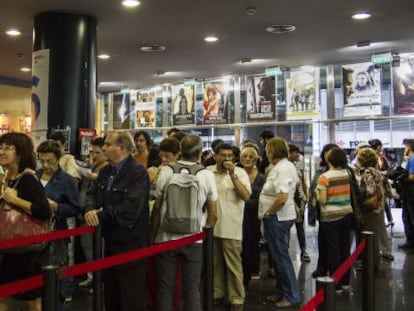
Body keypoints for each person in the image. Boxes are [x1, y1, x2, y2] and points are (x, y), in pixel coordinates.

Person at [151, 134, 218, 311]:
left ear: (180, 152)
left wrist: (153, 234)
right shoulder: (206, 174)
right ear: (199, 153)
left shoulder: (166, 171)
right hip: (194, 239)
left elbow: (157, 208)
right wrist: (206, 232)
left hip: (165, 238)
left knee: (165, 287)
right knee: (192, 289)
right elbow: (213, 214)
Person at [84, 131, 150, 311]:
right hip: (109, 243)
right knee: (111, 296)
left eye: (107, 144)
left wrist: (101, 214)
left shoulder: (137, 173)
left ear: (121, 147)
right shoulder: (106, 171)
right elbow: (92, 193)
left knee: (130, 298)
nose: (103, 148)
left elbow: (130, 211)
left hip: (131, 245)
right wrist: (90, 209)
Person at [0, 133, 51, 311]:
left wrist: (14, 200)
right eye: (1, 147)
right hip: (9, 250)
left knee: (32, 301)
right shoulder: (9, 179)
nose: (2, 151)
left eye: (7, 148)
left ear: (20, 153)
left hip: (26, 252)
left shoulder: (27, 179)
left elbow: (44, 210)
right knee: (4, 295)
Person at [36, 139, 81, 306]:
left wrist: (57, 207)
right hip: (34, 235)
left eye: (50, 161)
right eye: (42, 160)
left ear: (58, 159)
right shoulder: (34, 177)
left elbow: (76, 208)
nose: (46, 165)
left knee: (56, 281)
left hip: (56, 236)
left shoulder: (67, 180)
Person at [258, 137, 301, 308]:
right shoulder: (285, 166)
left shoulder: (282, 168)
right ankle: (281, 292)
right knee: (277, 257)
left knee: (281, 258)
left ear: (272, 151)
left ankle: (291, 295)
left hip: (278, 217)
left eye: (268, 149)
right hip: (281, 216)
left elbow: (282, 197)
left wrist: (269, 212)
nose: (266, 152)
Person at [208, 143, 251, 311]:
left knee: (233, 265)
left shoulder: (240, 173)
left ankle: (237, 297)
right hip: (212, 226)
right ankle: (216, 292)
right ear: (215, 156)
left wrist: (233, 175)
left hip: (232, 227)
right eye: (223, 155)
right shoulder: (208, 172)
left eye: (229, 156)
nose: (226, 158)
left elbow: (246, 196)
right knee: (215, 264)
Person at [316, 147, 353, 293]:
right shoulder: (347, 174)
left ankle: (335, 283)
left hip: (330, 218)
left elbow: (323, 200)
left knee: (333, 250)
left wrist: (316, 194)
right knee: (345, 249)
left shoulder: (324, 177)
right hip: (346, 214)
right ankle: (345, 282)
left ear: (328, 160)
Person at [78, 137, 108, 289]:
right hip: (85, 213)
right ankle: (92, 276)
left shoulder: (106, 170)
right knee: (87, 247)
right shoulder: (93, 168)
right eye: (92, 152)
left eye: (98, 152)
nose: (94, 155)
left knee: (97, 248)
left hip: (98, 216)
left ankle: (100, 280)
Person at [355, 147, 393, 263]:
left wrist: (359, 190)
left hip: (371, 206)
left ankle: (372, 259)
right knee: (379, 229)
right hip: (379, 204)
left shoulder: (367, 172)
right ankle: (383, 253)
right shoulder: (375, 170)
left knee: (369, 232)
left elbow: (369, 190)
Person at [308, 143, 339, 278]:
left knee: (336, 245)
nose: (328, 156)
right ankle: (322, 267)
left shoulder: (343, 170)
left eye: (331, 152)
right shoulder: (320, 170)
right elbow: (313, 188)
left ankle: (336, 273)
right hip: (322, 211)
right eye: (326, 153)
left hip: (337, 211)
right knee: (322, 241)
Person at [239, 145, 265, 290]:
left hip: (253, 219)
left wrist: (243, 199)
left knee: (251, 247)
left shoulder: (261, 178)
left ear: (256, 159)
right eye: (245, 156)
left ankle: (247, 279)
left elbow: (260, 200)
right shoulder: (236, 174)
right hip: (236, 218)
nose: (248, 159)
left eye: (251, 156)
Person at [288, 143, 310, 262]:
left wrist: (306, 195)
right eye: (295, 152)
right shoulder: (285, 166)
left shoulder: (299, 164)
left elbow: (302, 180)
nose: (298, 154)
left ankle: (303, 250)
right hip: (290, 198)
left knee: (300, 225)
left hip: (299, 197)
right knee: (287, 226)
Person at [398, 140, 414, 249]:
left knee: (408, 217)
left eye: (405, 148)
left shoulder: (412, 160)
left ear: (408, 148)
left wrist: (400, 177)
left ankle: (411, 241)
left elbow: (412, 176)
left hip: (411, 193)